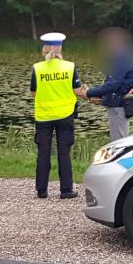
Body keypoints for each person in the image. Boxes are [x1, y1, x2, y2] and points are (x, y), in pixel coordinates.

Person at [31, 32, 87, 199]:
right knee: (64, 152)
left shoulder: (38, 68)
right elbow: (77, 91)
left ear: (44, 49)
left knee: (43, 153)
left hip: (44, 116)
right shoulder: (69, 67)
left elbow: (33, 93)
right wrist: (90, 93)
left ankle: (42, 190)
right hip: (65, 115)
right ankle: (66, 190)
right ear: (60, 48)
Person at [86, 27, 133, 141]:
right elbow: (113, 82)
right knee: (118, 139)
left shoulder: (123, 60)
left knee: (119, 142)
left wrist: (89, 92)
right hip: (116, 104)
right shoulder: (120, 58)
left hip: (119, 106)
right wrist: (101, 97)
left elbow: (114, 84)